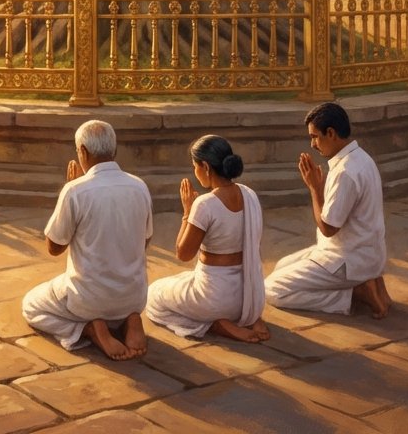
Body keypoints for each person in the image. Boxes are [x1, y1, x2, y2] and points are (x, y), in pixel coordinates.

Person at [22, 120, 152, 361]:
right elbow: (144, 241)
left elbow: (54, 247)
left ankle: (89, 328)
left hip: (89, 299)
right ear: (113, 150)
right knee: (116, 296)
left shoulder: (76, 191)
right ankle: (131, 319)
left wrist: (67, 192)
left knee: (31, 305)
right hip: (134, 296)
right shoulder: (139, 186)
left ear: (82, 151)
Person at [265, 102, 390, 318]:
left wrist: (315, 188)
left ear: (331, 133)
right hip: (363, 253)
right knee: (281, 265)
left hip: (345, 260)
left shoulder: (345, 172)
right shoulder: (361, 158)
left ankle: (353, 294)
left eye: (315, 136)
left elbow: (328, 228)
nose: (313, 144)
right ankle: (369, 282)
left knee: (271, 290)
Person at [145, 135, 268, 343]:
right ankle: (247, 319)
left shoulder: (205, 204)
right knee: (181, 280)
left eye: (195, 166)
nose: (195, 172)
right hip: (248, 297)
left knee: (153, 296)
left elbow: (183, 254)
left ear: (206, 167)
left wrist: (187, 212)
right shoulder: (249, 194)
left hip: (214, 299)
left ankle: (215, 324)